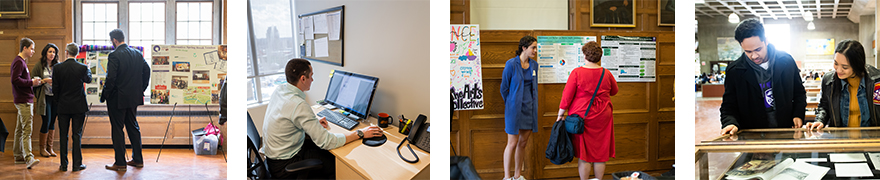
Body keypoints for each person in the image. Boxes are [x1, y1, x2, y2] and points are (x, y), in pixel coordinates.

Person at [261, 58, 383, 179]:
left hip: (274, 158)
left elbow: (286, 120)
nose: (312, 79)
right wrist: (360, 133)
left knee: (323, 150)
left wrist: (313, 124)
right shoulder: (298, 104)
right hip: (285, 166)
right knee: (337, 163)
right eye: (311, 76)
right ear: (303, 79)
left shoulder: (280, 90)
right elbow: (326, 142)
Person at [720, 18, 807, 135]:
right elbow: (729, 105)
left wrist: (798, 114)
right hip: (752, 134)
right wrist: (730, 123)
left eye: (758, 49)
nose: (754, 56)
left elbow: (799, 92)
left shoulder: (786, 61)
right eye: (748, 51)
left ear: (766, 41)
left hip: (786, 129)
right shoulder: (735, 71)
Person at [557, 41, 619, 180]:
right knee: (600, 152)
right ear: (599, 57)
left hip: (582, 117)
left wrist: (560, 115)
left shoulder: (577, 72)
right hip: (603, 115)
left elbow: (567, 96)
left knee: (584, 152)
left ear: (584, 55)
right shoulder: (606, 73)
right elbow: (614, 91)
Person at [102, 29, 151, 171]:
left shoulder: (114, 55)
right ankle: (138, 159)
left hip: (117, 99)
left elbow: (111, 78)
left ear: (114, 40)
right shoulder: (137, 53)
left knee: (117, 129)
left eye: (111, 41)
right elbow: (147, 70)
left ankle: (120, 162)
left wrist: (106, 94)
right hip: (133, 98)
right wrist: (141, 88)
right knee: (133, 126)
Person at [812, 40, 880, 128]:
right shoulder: (829, 81)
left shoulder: (876, 80)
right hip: (841, 138)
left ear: (857, 65)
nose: (838, 70)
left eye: (845, 67)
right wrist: (820, 121)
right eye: (836, 63)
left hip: (871, 139)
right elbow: (824, 106)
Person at [500, 35, 539, 180]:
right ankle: (506, 176)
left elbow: (533, 88)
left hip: (529, 109)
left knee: (522, 143)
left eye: (536, 47)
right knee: (512, 143)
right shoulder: (511, 64)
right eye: (533, 47)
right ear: (524, 48)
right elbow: (504, 88)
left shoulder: (534, 65)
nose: (535, 50)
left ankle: (517, 175)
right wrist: (511, 103)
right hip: (513, 110)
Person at [54, 43, 92, 171]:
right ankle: (77, 165)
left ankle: (63, 165)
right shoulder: (82, 67)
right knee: (77, 134)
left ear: (66, 52)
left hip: (63, 106)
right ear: (77, 54)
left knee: (63, 135)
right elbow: (88, 80)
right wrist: (89, 69)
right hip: (78, 106)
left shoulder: (58, 68)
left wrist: (57, 104)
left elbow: (55, 89)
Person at [11, 37, 42, 168]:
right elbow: (15, 80)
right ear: (25, 48)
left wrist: (32, 82)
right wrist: (32, 82)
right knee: (26, 130)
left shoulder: (21, 61)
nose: (33, 51)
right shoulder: (19, 62)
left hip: (23, 99)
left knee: (19, 129)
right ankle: (29, 158)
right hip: (24, 101)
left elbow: (19, 79)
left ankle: (18, 155)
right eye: (32, 48)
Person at [32, 43, 59, 158]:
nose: (52, 54)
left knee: (52, 121)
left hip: (55, 97)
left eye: (54, 52)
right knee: (46, 121)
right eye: (50, 52)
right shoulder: (39, 65)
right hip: (44, 98)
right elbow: (33, 81)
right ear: (45, 53)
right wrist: (44, 80)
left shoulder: (57, 65)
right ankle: (42, 148)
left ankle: (50, 147)